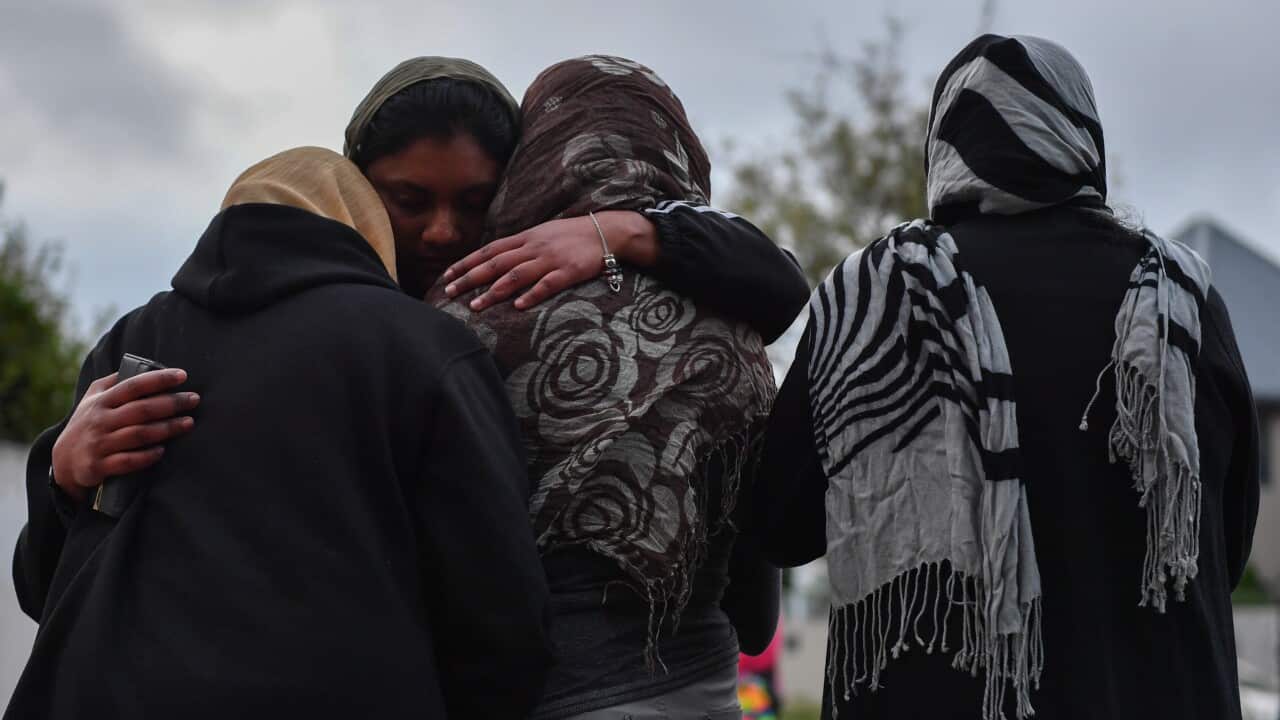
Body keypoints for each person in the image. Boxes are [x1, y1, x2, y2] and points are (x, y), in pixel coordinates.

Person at [37, 55, 810, 526]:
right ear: (354, 184)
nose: (443, 232)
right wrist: (66, 475)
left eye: (474, 202)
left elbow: (776, 284)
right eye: (409, 201)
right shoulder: (219, 330)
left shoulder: (545, 282)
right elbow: (72, 578)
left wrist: (620, 232)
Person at [756, 34, 1260, 720]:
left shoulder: (873, 295)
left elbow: (779, 528)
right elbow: (1221, 552)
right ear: (1081, 135)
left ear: (944, 149)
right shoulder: (1183, 303)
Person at [7, 147, 552, 719]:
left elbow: (41, 592)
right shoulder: (423, 349)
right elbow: (502, 625)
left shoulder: (132, 343)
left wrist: (60, 480)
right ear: (365, 228)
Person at [429, 55, 782, 719]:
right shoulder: (736, 338)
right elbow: (757, 619)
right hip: (701, 693)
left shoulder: (453, 317)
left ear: (532, 154)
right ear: (676, 151)